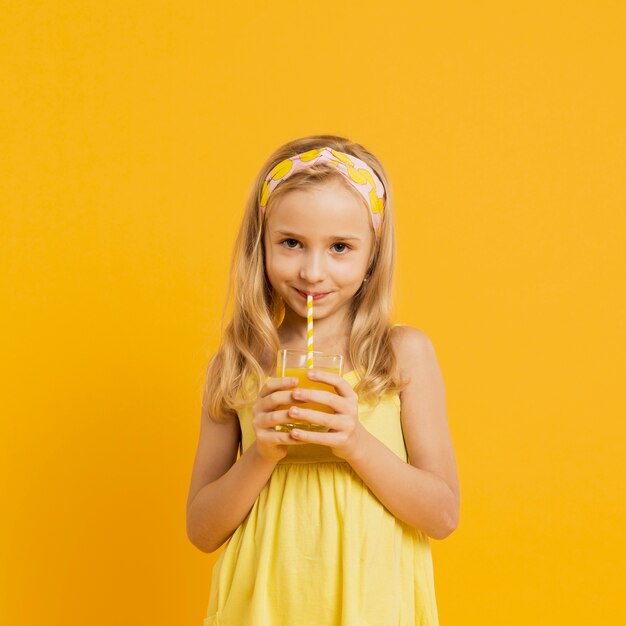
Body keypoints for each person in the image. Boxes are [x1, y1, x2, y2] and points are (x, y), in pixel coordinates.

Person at [186, 135, 460, 626]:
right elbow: (202, 530)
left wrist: (354, 442)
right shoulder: (241, 360)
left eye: (339, 248)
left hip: (372, 606)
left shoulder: (401, 355)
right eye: (291, 243)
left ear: (372, 253)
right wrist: (261, 454)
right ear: (262, 243)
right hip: (261, 610)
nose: (313, 272)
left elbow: (442, 516)